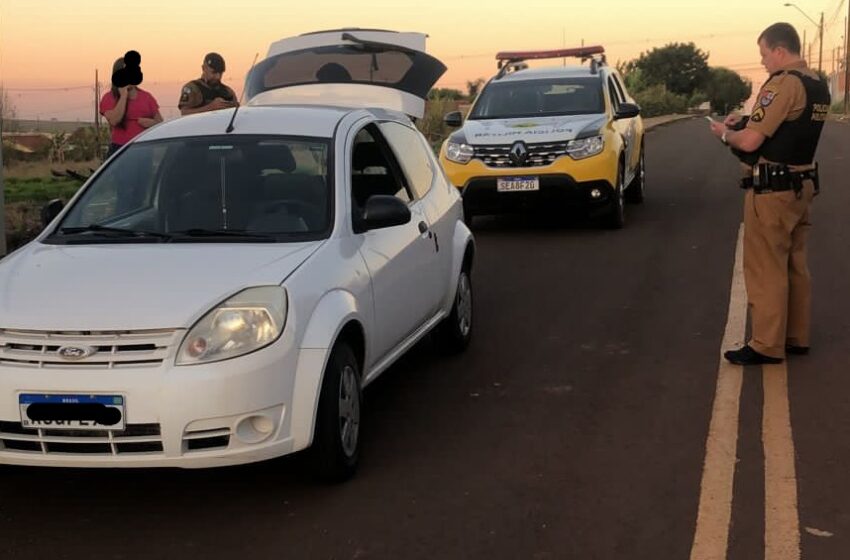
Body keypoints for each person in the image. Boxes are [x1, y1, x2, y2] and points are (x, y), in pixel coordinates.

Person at [708, 22, 830, 365]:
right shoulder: (817, 85)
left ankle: (766, 344)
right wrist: (745, 120)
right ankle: (796, 336)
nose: (762, 62)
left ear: (779, 50)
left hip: (773, 190)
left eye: (764, 54)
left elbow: (750, 142)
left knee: (766, 267)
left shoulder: (783, 84)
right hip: (802, 182)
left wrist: (723, 134)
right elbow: (785, 125)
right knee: (795, 263)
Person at [100, 53, 163, 158]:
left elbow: (160, 123)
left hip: (144, 147)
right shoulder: (109, 97)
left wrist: (151, 123)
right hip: (120, 148)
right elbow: (115, 120)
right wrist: (123, 95)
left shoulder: (147, 97)